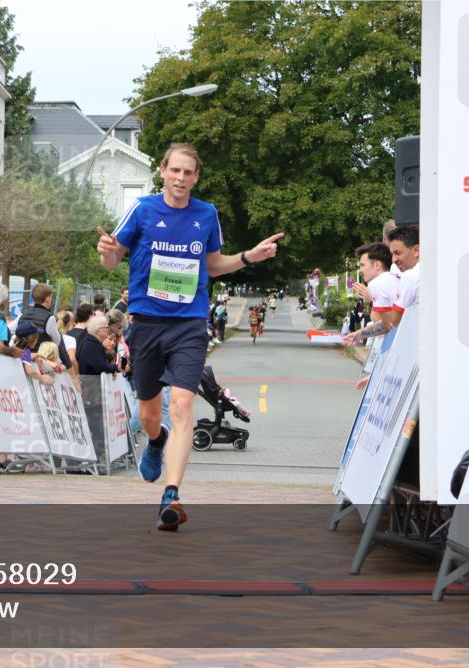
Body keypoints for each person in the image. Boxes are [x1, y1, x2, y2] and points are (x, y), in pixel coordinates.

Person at [96, 142, 283, 531]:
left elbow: (213, 265)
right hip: (147, 323)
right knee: (150, 414)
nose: (181, 178)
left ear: (196, 176)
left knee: (181, 405)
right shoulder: (144, 209)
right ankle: (155, 441)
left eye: (188, 172)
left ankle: (172, 492)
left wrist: (250, 257)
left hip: (189, 324)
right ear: (163, 171)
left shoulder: (206, 214)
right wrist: (108, 252)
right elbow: (114, 258)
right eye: (175, 170)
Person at [342, 242, 398, 346]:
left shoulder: (377, 283)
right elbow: (391, 322)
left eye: (362, 265)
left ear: (377, 265)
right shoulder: (392, 279)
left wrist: (372, 299)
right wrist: (359, 334)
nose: (360, 270)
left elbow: (388, 325)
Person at [20, 283, 72, 369]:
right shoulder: (50, 318)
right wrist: (68, 365)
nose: (51, 300)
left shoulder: (23, 314)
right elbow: (58, 343)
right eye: (51, 297)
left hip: (23, 361)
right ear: (47, 299)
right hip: (41, 364)